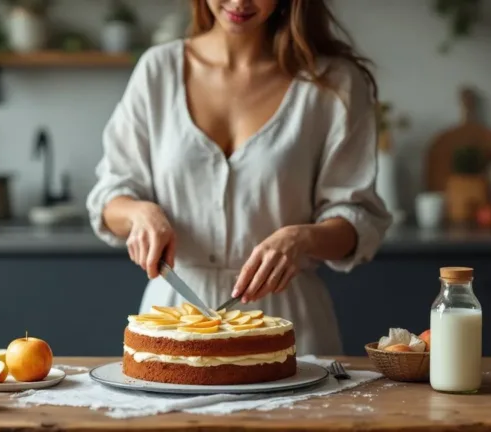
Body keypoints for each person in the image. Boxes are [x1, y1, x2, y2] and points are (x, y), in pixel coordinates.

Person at [86, 0, 392, 356]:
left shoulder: (334, 84)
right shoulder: (158, 70)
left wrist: (302, 239)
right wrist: (140, 213)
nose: (239, 2)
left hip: (289, 324)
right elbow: (110, 195)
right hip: (174, 318)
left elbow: (359, 221)